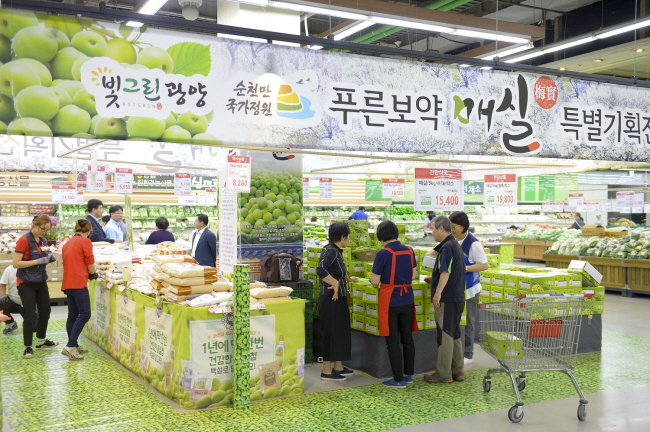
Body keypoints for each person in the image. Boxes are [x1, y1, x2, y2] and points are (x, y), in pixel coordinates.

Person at [370, 221, 418, 389]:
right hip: (408, 298)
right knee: (407, 338)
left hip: (390, 300)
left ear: (381, 236)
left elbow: (375, 282)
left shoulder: (383, 254)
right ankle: (408, 375)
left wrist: (374, 279)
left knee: (392, 341)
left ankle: (398, 379)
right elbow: (413, 276)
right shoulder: (410, 250)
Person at [423, 216, 466, 384]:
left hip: (447, 298)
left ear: (441, 228)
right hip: (458, 297)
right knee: (454, 333)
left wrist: (437, 293)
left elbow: (445, 272)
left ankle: (444, 373)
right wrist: (434, 280)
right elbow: (453, 272)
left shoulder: (446, 247)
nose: (432, 232)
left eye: (433, 229)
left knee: (445, 334)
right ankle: (458, 370)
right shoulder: (455, 244)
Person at [12, 214, 59, 359]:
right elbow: (16, 263)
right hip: (26, 283)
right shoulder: (24, 240)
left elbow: (42, 257)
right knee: (30, 314)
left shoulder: (43, 240)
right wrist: (38, 261)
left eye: (47, 230)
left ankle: (41, 340)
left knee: (45, 310)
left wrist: (49, 259)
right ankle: (28, 347)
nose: (44, 232)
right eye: (42, 229)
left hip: (40, 281)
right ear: (35, 225)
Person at [316, 222, 357, 381]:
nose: (349, 239)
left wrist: (348, 279)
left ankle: (338, 366)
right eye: (348, 236)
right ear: (343, 237)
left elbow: (336, 270)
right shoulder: (330, 251)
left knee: (339, 331)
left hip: (338, 297)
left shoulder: (336, 251)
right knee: (330, 332)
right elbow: (320, 269)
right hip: (330, 298)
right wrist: (335, 283)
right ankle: (326, 371)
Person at [448, 211, 489, 365]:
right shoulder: (452, 240)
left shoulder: (473, 244)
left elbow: (484, 265)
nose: (452, 230)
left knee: (469, 321)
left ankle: (468, 354)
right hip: (455, 287)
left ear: (464, 226)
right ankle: (456, 352)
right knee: (456, 320)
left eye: (454, 227)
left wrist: (463, 268)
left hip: (470, 288)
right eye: (450, 227)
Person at [61, 219, 97, 361]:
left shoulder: (68, 243)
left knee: (72, 315)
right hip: (78, 282)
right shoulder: (85, 241)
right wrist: (93, 273)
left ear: (75, 229)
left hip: (68, 282)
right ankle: (70, 346)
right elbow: (90, 261)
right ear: (88, 232)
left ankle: (74, 344)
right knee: (85, 314)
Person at [0, 265, 24, 334]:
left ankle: (29, 322)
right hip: (13, 301)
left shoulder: (33, 269)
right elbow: (2, 284)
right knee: (1, 301)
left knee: (34, 328)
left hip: (29, 304)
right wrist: (3, 296)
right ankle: (10, 323)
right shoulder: (9, 269)